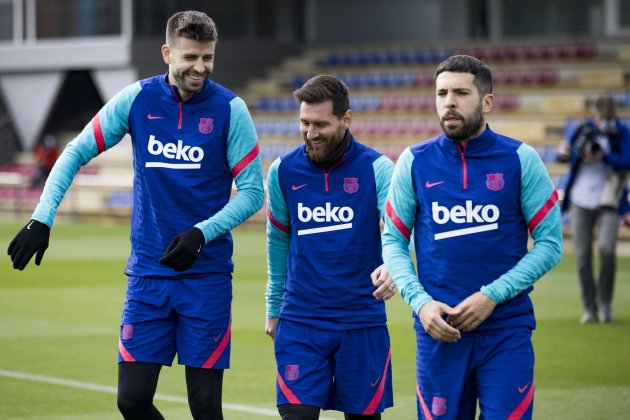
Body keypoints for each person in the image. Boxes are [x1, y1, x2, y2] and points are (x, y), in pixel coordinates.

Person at [7, 10, 263, 420]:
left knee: (204, 405)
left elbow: (253, 194)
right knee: (132, 400)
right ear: (167, 53)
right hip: (148, 274)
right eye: (191, 57)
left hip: (206, 277)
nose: (201, 67)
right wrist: (42, 217)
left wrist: (202, 233)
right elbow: (75, 151)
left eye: (208, 58)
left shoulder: (232, 110)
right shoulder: (138, 99)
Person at [382, 55, 562, 419]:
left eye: (461, 92)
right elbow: (393, 243)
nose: (449, 101)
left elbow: (549, 244)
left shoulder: (520, 160)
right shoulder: (414, 162)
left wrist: (491, 296)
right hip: (438, 333)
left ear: (487, 101)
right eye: (442, 93)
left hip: (505, 332)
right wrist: (421, 303)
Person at [265, 75, 396, 420]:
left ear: (346, 119)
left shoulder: (378, 169)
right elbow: (278, 239)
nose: (310, 133)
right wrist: (273, 306)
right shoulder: (282, 171)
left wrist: (394, 267)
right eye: (304, 123)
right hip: (300, 319)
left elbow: (397, 231)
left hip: (361, 320)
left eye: (321, 124)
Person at [558, 95, 630, 323]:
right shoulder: (582, 130)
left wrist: (604, 156)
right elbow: (566, 156)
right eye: (603, 118)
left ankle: (606, 303)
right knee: (582, 257)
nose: (607, 122)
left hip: (608, 200)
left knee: (608, 251)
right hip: (580, 200)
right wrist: (565, 153)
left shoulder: (622, 133)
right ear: (594, 116)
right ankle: (590, 307)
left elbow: (627, 160)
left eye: (611, 118)